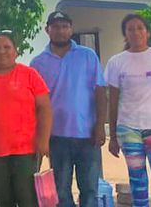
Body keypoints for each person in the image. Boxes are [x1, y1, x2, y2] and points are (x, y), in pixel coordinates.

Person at [0, 30, 51, 207]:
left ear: (16, 51)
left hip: (26, 151)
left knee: (27, 199)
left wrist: (43, 141)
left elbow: (44, 108)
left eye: (7, 47)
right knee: (3, 200)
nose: (2, 51)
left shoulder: (30, 75)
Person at [30, 11, 107, 207]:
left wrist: (100, 126)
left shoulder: (88, 56)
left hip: (87, 135)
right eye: (55, 27)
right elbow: (35, 104)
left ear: (71, 30)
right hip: (56, 137)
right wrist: (41, 137)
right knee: (61, 191)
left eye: (65, 26)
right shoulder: (38, 63)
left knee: (90, 189)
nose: (60, 31)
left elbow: (99, 92)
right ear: (47, 30)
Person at [106, 14, 151, 207]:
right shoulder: (116, 62)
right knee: (138, 183)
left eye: (140, 28)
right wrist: (113, 136)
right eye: (130, 29)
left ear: (147, 32)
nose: (136, 32)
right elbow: (112, 102)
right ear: (125, 35)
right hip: (128, 129)